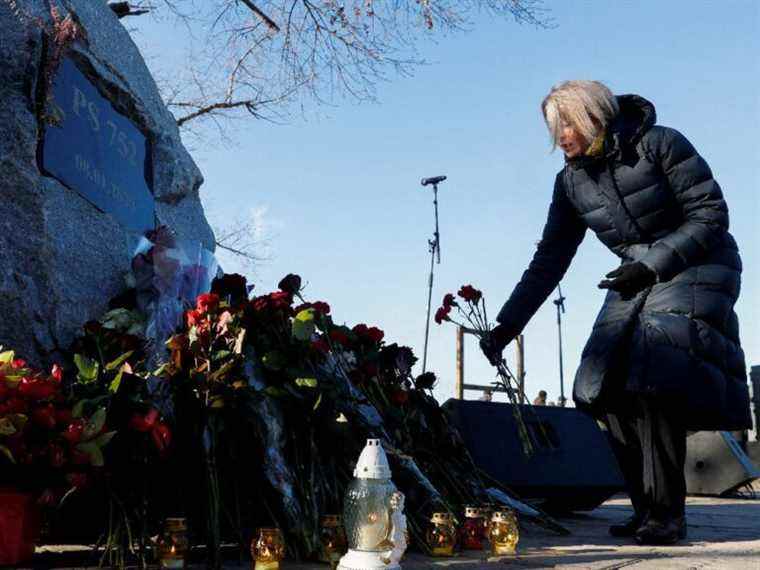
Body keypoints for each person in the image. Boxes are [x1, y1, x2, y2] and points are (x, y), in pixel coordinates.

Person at [480, 80, 751, 545]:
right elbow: (550, 258)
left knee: (653, 374)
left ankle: (667, 514)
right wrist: (507, 324)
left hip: (701, 262)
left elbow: (710, 214)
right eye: (554, 126)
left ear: (595, 115)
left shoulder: (660, 143)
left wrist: (651, 264)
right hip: (635, 272)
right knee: (598, 388)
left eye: (568, 122)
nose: (561, 135)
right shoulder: (570, 182)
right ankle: (645, 508)